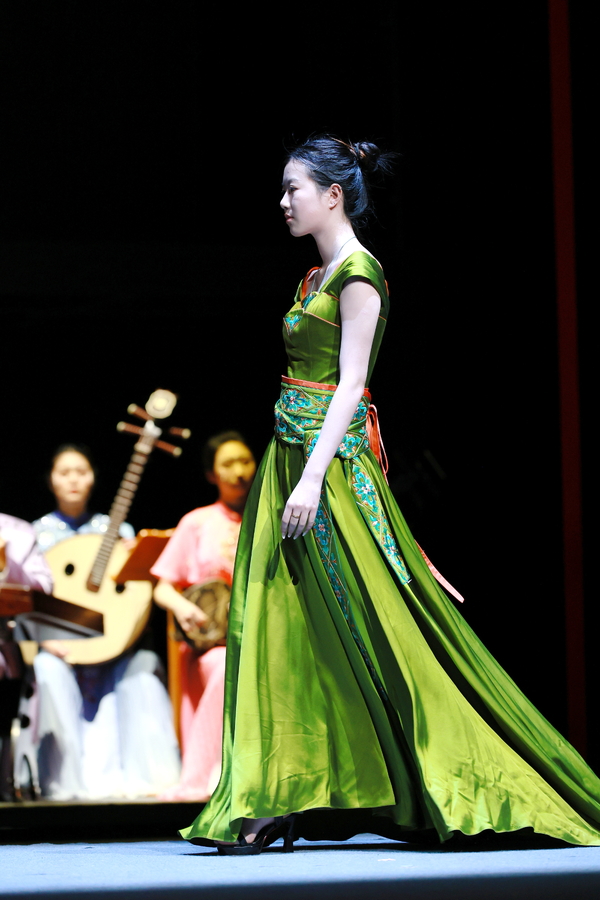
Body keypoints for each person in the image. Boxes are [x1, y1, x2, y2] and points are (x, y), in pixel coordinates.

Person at [181, 135, 600, 855]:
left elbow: (351, 385)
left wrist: (312, 476)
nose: (284, 202)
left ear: (333, 194)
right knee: (282, 621)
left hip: (329, 470)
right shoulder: (313, 277)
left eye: (293, 189)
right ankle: (275, 794)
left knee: (378, 620)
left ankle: (459, 779)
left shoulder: (359, 273)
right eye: (283, 190)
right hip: (290, 456)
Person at [31, 444, 180, 799]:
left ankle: (148, 780)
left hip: (116, 646)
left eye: (81, 472)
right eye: (64, 472)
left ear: (93, 478)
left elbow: (134, 597)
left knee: (144, 670)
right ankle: (62, 780)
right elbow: (27, 600)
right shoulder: (36, 534)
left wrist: (133, 562)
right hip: (60, 645)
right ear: (51, 480)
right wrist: (46, 640)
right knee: (46, 668)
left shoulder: (116, 530)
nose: (73, 479)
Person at [151, 432, 256, 801]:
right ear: (212, 474)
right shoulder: (197, 522)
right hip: (212, 648)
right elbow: (162, 588)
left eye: (245, 461)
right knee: (227, 666)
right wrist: (185, 608)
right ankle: (200, 778)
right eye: (228, 464)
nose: (239, 471)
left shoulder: (269, 518)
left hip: (259, 642)